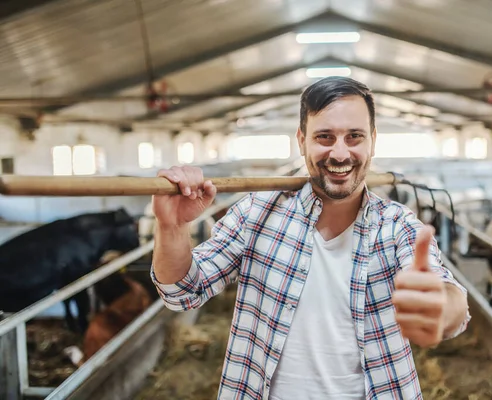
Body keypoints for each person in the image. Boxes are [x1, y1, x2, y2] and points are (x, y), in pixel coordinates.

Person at [150, 76, 471, 400]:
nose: (340, 153)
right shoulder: (257, 214)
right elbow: (182, 292)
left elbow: (450, 299)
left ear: (373, 140)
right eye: (325, 137)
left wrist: (441, 307)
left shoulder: (397, 226)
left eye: (355, 137)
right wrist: (172, 227)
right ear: (302, 140)